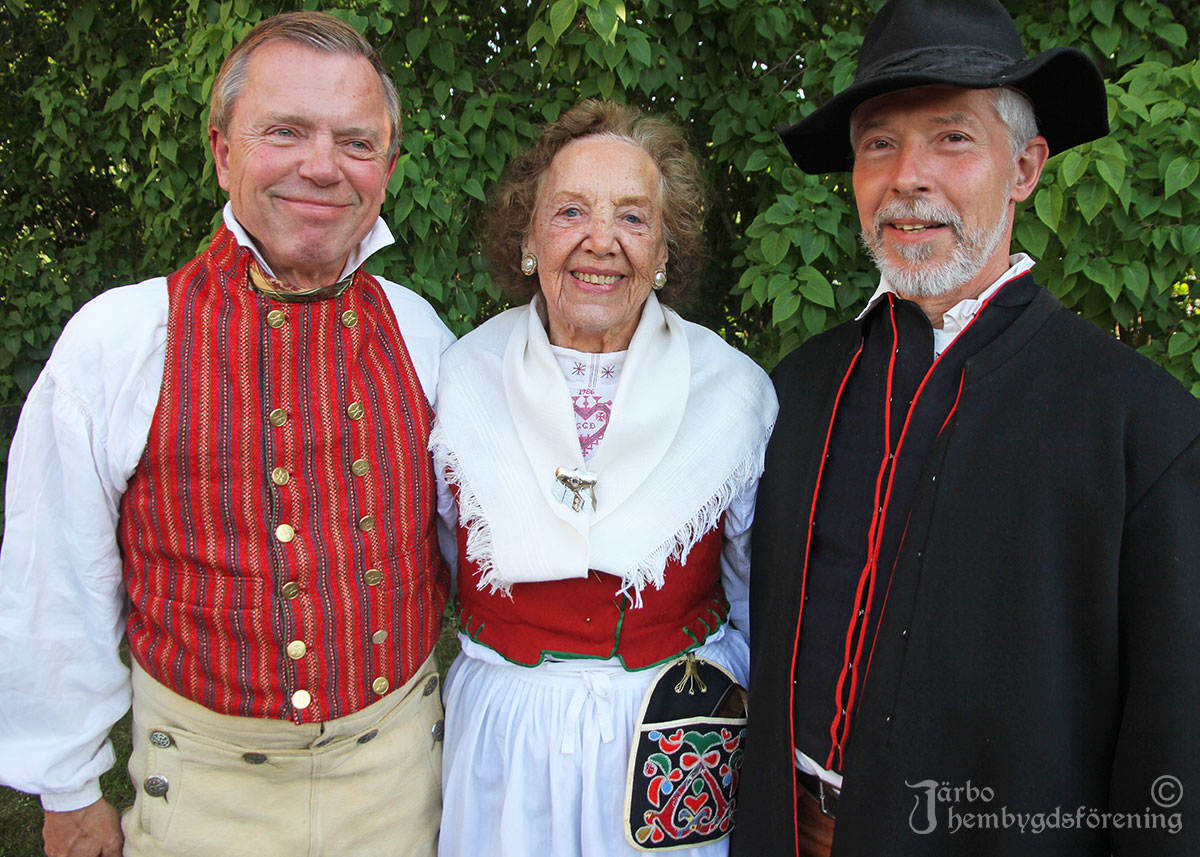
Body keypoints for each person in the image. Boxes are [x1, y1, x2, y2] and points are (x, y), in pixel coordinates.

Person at [732, 1, 1200, 856]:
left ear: (1023, 168)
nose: (909, 175)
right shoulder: (795, 389)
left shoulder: (1142, 429)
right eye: (878, 142)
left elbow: (1174, 747)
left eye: (952, 139)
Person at [0, 12, 454, 857]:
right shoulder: (122, 340)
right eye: (286, 132)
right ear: (222, 151)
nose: (323, 166)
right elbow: (53, 575)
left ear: (386, 171)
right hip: (204, 795)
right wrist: (65, 788)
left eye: (356, 142)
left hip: (404, 786)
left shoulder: (422, 335)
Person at [431, 99, 778, 857]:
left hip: (673, 735)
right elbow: (445, 555)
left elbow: (754, 589)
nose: (600, 241)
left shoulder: (734, 391)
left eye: (631, 217)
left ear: (663, 249)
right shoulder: (462, 380)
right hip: (507, 738)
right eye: (570, 213)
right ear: (528, 238)